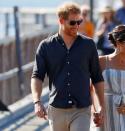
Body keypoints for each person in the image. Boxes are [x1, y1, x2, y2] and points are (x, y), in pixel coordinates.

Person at [30, 2, 105, 131]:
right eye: (72, 23)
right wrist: (37, 102)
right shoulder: (46, 46)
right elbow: (37, 76)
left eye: (79, 22)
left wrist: (101, 106)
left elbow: (97, 77)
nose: (77, 26)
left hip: (81, 109)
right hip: (56, 110)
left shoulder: (88, 45)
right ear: (61, 20)